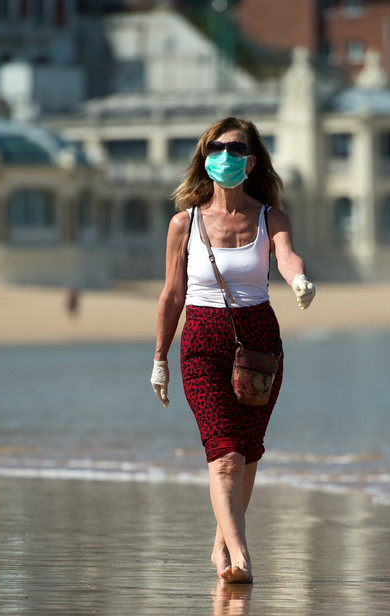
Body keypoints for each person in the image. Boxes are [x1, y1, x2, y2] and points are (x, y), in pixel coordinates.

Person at [150, 117, 315, 584]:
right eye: (216, 148)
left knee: (247, 454)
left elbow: (286, 255)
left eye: (235, 148)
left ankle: (220, 547)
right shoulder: (185, 222)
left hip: (260, 342)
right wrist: (160, 359)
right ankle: (241, 558)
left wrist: (299, 279)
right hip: (202, 340)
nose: (225, 155)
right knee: (223, 453)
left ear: (251, 161)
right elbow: (171, 295)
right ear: (205, 158)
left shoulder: (270, 217)